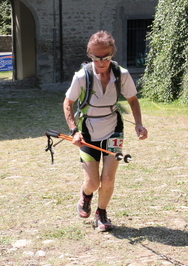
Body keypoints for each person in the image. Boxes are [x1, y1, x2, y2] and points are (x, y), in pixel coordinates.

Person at [63, 30, 148, 232]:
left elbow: (133, 100)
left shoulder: (122, 75)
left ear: (112, 54)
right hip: (87, 132)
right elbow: (68, 103)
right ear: (89, 54)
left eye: (106, 57)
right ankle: (86, 195)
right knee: (92, 183)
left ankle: (101, 213)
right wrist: (74, 130)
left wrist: (138, 124)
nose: (101, 62)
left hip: (114, 130)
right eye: (95, 57)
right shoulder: (82, 76)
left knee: (108, 178)